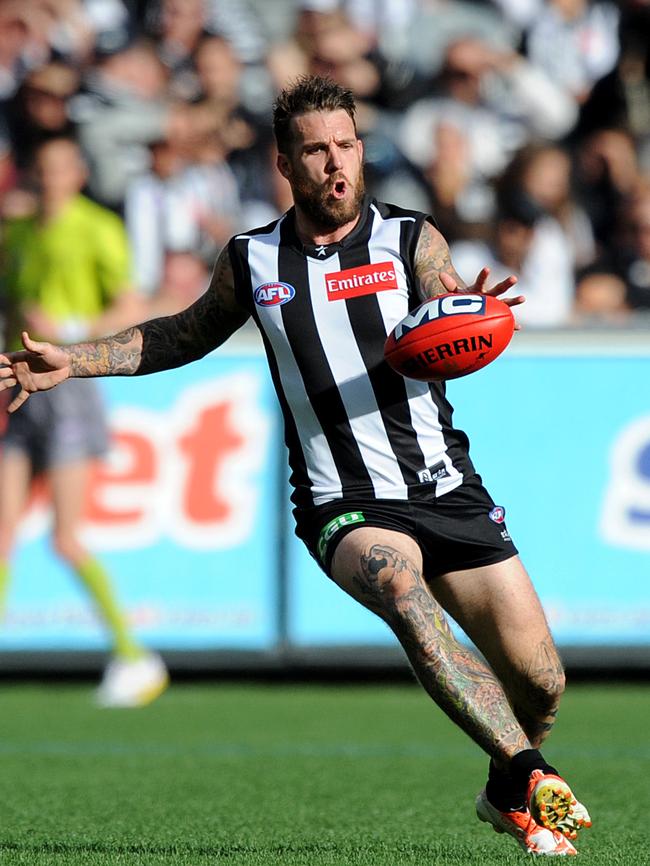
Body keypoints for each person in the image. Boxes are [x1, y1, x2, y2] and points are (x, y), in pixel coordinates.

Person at [0, 76, 591, 854]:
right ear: (285, 163)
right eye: (316, 150)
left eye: (346, 145)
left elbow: (446, 299)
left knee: (542, 683)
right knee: (403, 590)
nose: (336, 164)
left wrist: (467, 311)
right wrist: (72, 361)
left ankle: (504, 788)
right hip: (339, 501)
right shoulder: (253, 259)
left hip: (446, 487)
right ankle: (531, 770)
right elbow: (180, 334)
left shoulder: (411, 238)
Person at [0, 136, 169, 708]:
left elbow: (130, 305)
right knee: (1, 538)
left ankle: (133, 654)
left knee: (65, 538)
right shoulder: (18, 235)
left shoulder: (96, 228)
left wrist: (70, 328)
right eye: (40, 170)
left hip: (69, 390)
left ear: (75, 175)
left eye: (57, 171)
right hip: (20, 393)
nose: (48, 181)